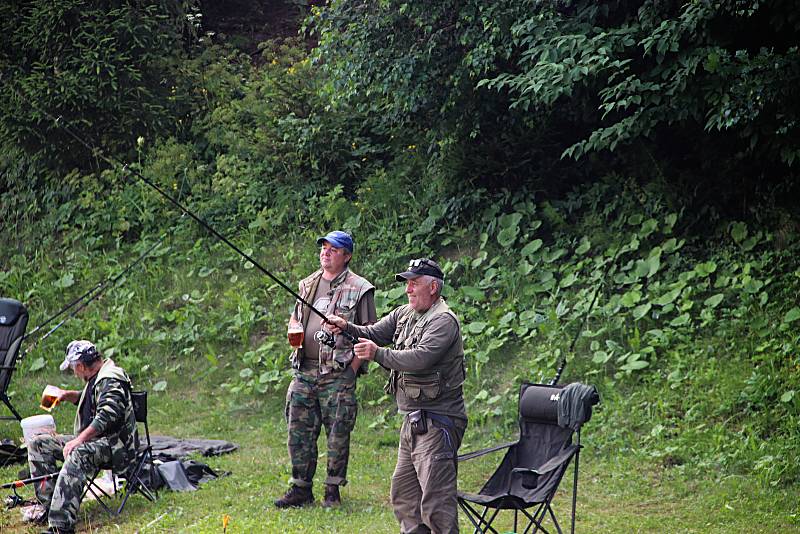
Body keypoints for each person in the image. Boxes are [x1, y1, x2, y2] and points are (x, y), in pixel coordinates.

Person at [326, 258, 467, 533]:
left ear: (434, 287)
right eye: (407, 284)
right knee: (404, 498)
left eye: (414, 284)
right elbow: (373, 332)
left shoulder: (443, 321)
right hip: (412, 421)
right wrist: (345, 327)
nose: (408, 290)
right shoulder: (404, 313)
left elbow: (420, 358)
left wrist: (377, 354)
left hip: (438, 423)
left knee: (437, 505)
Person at [275, 230, 377, 508]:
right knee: (298, 429)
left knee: (338, 433)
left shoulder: (361, 288)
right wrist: (294, 331)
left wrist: (352, 370)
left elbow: (370, 333)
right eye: (323, 247)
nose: (326, 252)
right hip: (304, 370)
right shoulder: (307, 284)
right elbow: (295, 319)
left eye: (333, 249)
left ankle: (332, 489)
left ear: (347, 256)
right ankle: (300, 487)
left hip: (337, 374)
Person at [26, 340, 138, 534]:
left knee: (78, 451)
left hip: (116, 446)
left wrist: (79, 440)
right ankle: (51, 504)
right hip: (99, 442)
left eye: (73, 369)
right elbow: (93, 399)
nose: (75, 374)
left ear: (80, 366)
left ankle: (61, 525)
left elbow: (107, 415)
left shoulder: (110, 378)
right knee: (38, 443)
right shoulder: (97, 377)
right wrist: (67, 395)